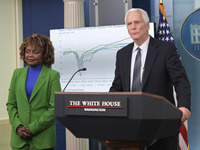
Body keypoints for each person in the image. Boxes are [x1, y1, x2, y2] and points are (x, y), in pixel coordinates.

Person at [109, 8, 191, 150]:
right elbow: (117, 86)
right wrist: (107, 107)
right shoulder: (122, 54)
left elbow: (180, 80)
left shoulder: (166, 49)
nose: (133, 27)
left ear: (147, 26)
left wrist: (184, 106)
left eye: (137, 22)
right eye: (129, 24)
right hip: (130, 125)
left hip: (161, 124)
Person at [6, 33, 61, 150]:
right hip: (19, 140)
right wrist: (18, 127)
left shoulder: (53, 76)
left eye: (35, 52)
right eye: (27, 51)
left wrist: (32, 128)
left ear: (44, 54)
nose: (30, 55)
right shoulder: (17, 74)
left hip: (42, 140)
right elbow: (11, 104)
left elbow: (54, 108)